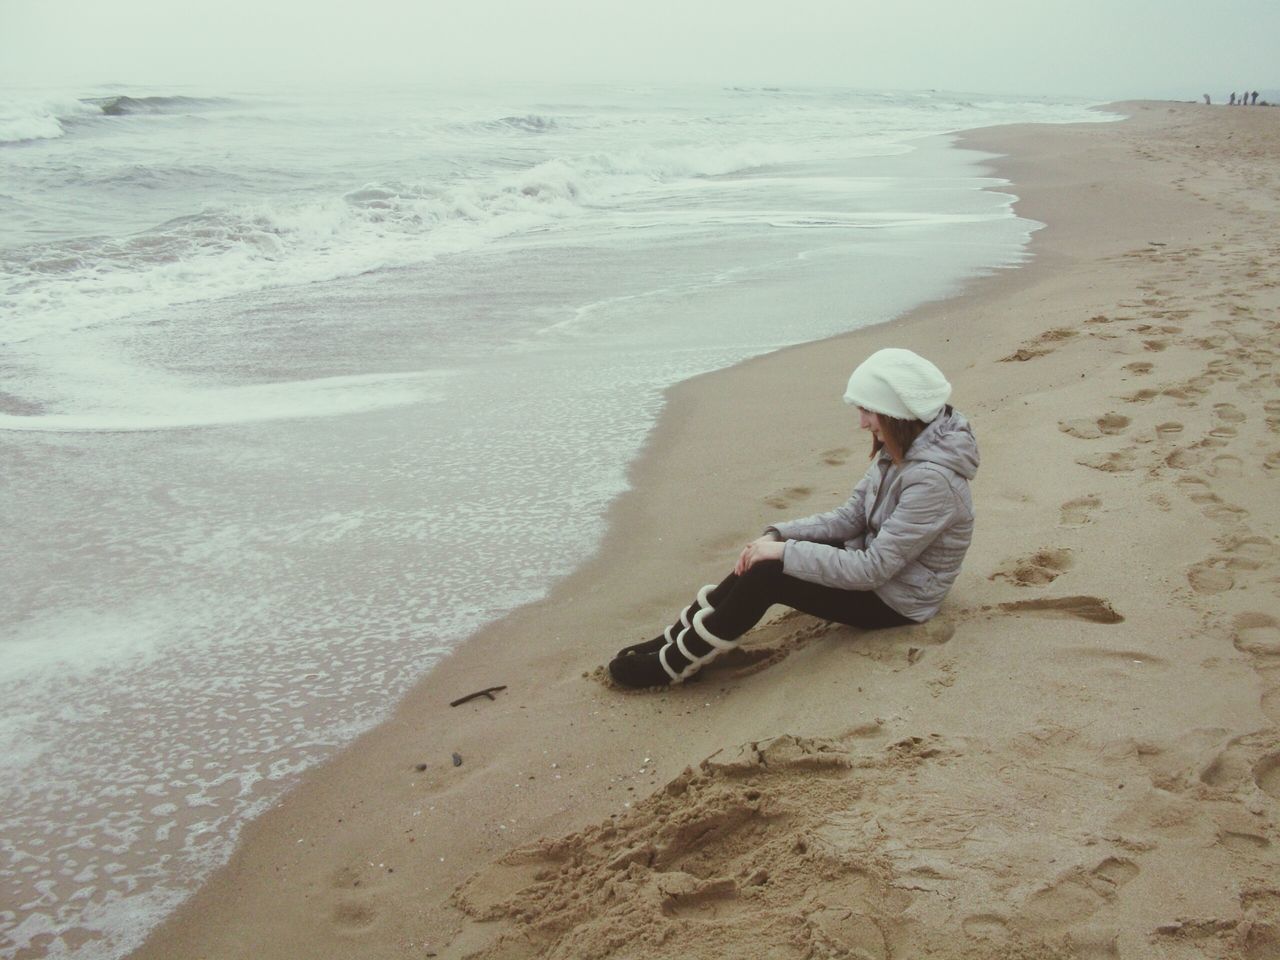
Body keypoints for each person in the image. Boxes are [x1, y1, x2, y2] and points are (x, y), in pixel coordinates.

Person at [608, 348, 979, 688]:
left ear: (898, 412)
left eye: (868, 410)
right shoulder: (905, 446)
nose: (862, 423)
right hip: (882, 568)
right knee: (766, 555)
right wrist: (777, 536)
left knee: (768, 575)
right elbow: (850, 516)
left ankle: (675, 663)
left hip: (899, 600)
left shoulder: (932, 480)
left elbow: (873, 569)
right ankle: (681, 633)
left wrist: (783, 555)